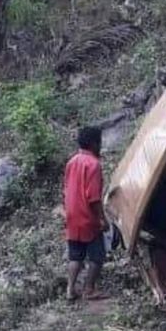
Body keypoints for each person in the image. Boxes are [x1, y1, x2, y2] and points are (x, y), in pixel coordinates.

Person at [64, 126, 108, 301]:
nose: (101, 146)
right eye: (99, 142)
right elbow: (94, 197)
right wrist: (102, 219)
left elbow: (66, 189)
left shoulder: (71, 162)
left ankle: (70, 290)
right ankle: (89, 289)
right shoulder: (93, 165)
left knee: (75, 255)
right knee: (97, 255)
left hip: (72, 216)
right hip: (87, 216)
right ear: (93, 144)